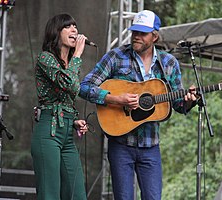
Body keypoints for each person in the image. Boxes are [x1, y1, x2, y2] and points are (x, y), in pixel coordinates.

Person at [79, 10, 198, 200]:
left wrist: (189, 102)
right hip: (121, 145)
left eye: (142, 33)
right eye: (135, 32)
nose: (136, 37)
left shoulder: (169, 63)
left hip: (151, 147)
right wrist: (115, 99)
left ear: (155, 36)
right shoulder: (116, 57)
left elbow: (177, 104)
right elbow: (84, 87)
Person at [31, 13, 89, 200]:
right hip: (48, 132)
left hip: (66, 135)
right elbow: (69, 84)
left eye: (75, 26)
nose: (75, 30)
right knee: (50, 194)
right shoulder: (45, 58)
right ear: (56, 32)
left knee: (77, 194)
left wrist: (74, 120)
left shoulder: (71, 63)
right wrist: (78, 55)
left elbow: (67, 98)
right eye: (68, 26)